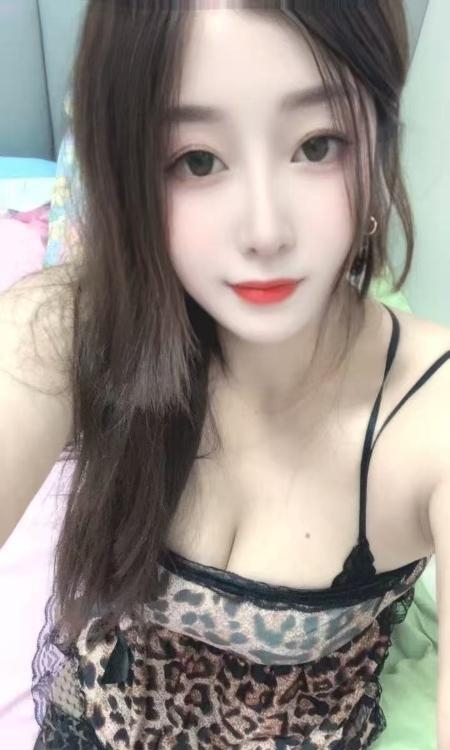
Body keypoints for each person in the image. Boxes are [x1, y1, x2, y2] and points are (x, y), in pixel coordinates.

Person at [0, 2, 448, 748]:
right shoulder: (69, 330)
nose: (265, 232)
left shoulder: (431, 413)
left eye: (317, 145)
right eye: (198, 160)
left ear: (378, 136)